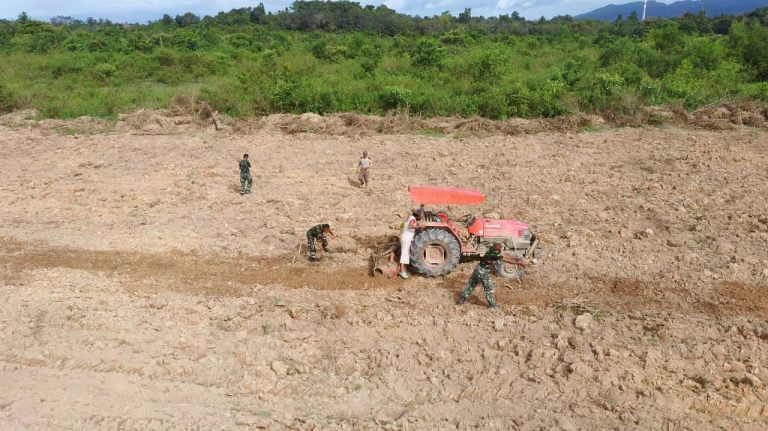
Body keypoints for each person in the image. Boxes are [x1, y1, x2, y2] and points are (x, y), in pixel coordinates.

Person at [458, 242, 519, 309]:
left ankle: (462, 299)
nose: (502, 248)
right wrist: (518, 263)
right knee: (489, 289)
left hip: (478, 269)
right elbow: (506, 260)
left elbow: (503, 256)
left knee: (471, 285)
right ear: (497, 248)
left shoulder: (491, 250)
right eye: (501, 247)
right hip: (483, 272)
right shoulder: (494, 254)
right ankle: (492, 305)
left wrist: (514, 258)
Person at [398, 210, 422, 279]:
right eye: (420, 216)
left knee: (406, 253)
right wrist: (419, 227)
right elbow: (410, 226)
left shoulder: (410, 217)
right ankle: (402, 271)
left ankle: (404, 270)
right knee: (404, 254)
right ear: (417, 215)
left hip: (405, 237)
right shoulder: (413, 219)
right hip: (406, 238)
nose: (420, 217)